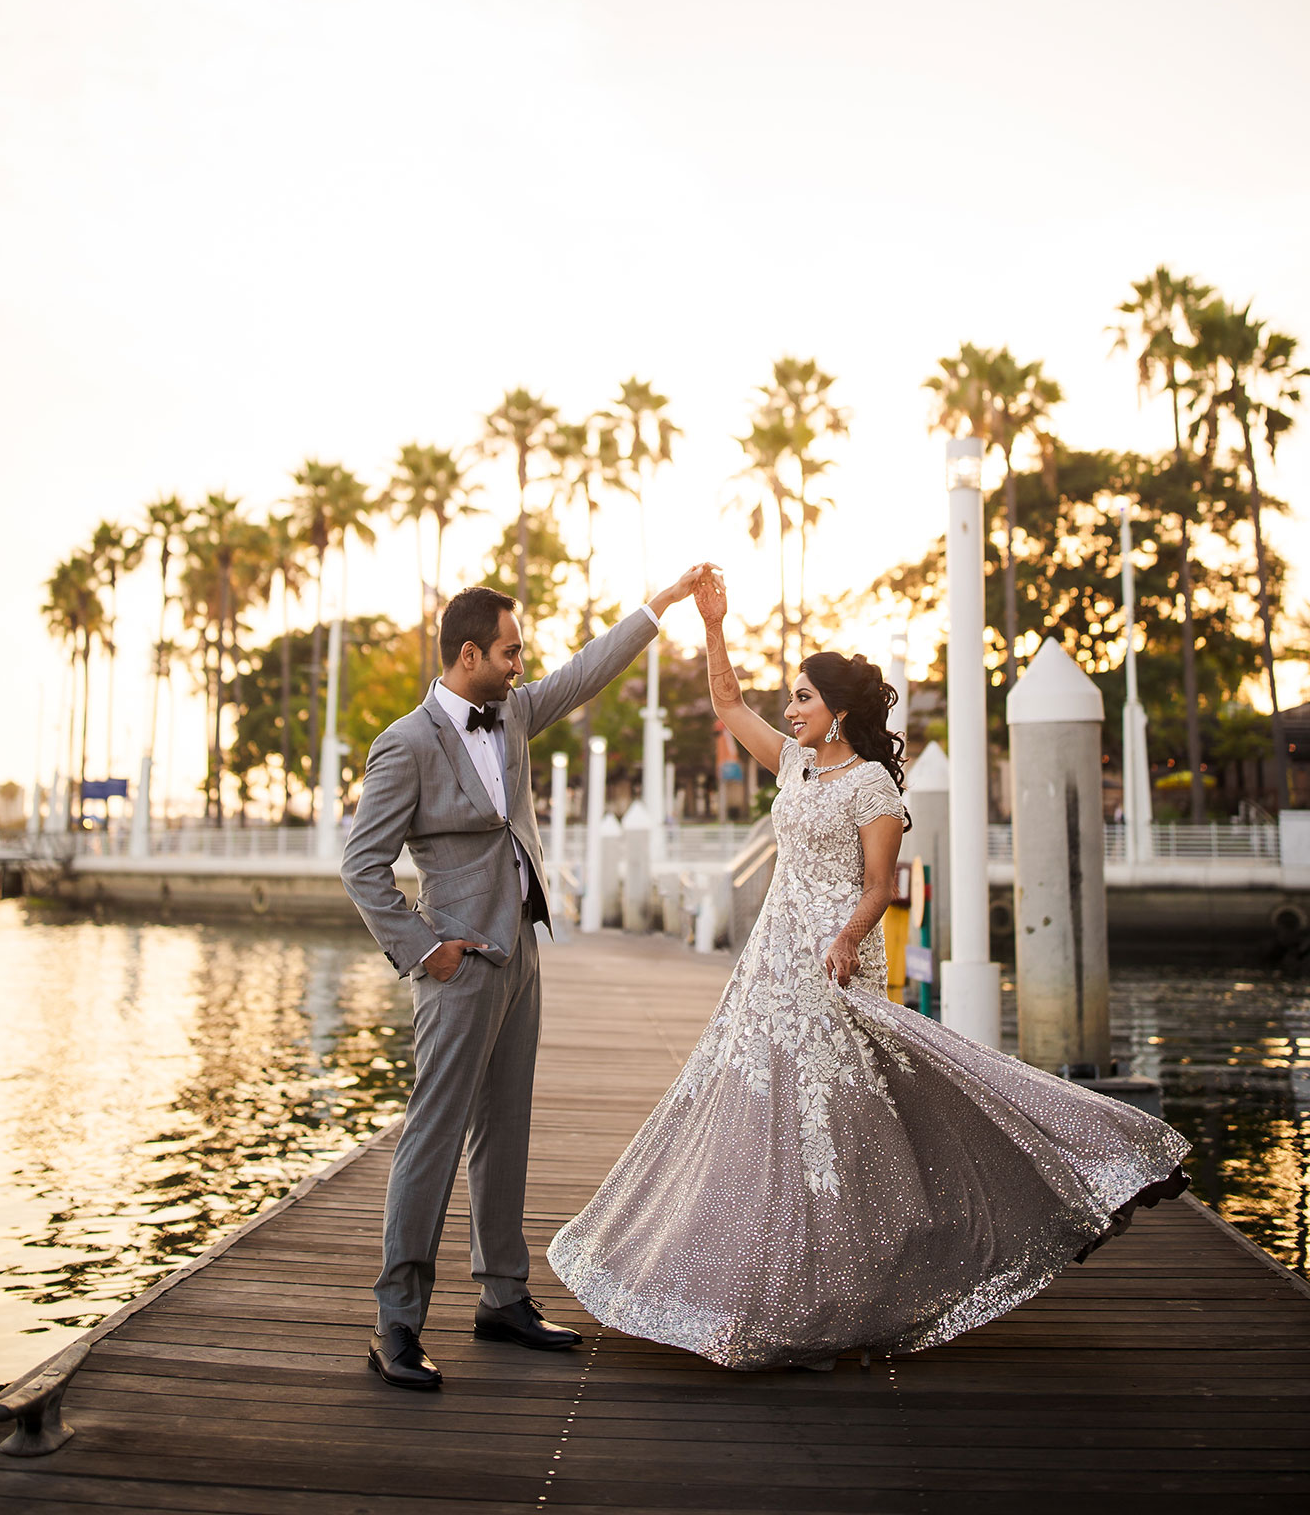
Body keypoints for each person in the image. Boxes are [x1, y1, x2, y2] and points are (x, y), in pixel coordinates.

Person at [547, 566, 1191, 1372]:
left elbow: (880, 886)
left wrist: (849, 937)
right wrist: (712, 622)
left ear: (838, 711)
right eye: (791, 698)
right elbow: (726, 703)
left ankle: (1067, 1165)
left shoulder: (875, 784)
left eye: (804, 699)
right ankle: (772, 1294)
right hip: (772, 961)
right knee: (765, 1115)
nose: (789, 709)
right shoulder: (792, 764)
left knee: (835, 1123)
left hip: (834, 955)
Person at [342, 566, 710, 1390]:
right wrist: (424, 949)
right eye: (509, 653)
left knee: (506, 1131)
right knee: (431, 1141)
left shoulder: (511, 714)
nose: (521, 665)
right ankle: (396, 1323)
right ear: (468, 654)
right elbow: (362, 868)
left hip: (523, 953)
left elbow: (585, 670)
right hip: (458, 965)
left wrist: (661, 603)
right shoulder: (404, 744)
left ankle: (501, 1298)